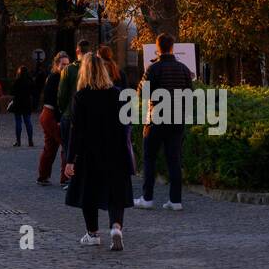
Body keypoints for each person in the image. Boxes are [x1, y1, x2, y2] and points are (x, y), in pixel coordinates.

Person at [64, 53, 134, 251]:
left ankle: (92, 233)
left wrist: (70, 160)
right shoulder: (118, 94)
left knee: (89, 193)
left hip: (89, 153)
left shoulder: (81, 97)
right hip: (116, 151)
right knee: (116, 192)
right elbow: (125, 125)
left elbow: (76, 132)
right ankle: (116, 227)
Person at [133, 33, 194, 211]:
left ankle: (147, 198)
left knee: (149, 158)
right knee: (174, 160)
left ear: (157, 48)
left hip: (156, 119)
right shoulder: (183, 69)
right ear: (172, 47)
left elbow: (141, 93)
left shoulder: (154, 69)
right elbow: (190, 95)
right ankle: (175, 201)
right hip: (177, 120)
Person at [57, 40, 88, 186]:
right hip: (89, 116)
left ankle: (68, 178)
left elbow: (62, 96)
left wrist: (63, 110)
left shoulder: (68, 70)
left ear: (77, 51)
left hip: (70, 114)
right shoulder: (94, 68)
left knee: (68, 148)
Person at [36, 52, 69, 185]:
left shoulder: (54, 77)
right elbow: (55, 101)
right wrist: (59, 120)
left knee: (50, 146)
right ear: (57, 65)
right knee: (66, 144)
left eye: (67, 64)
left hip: (47, 115)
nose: (65, 67)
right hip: (51, 115)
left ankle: (43, 176)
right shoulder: (56, 78)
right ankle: (65, 178)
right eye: (63, 64)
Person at [9, 64, 35, 147]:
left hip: (18, 103)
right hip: (27, 103)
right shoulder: (29, 81)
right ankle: (30, 141)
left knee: (18, 122)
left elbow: (12, 92)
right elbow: (33, 91)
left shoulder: (17, 81)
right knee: (28, 121)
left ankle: (18, 141)